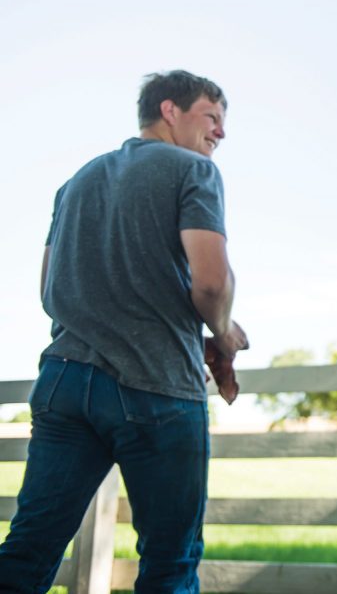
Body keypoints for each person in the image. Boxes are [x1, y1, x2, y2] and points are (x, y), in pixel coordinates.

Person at [0, 70, 248, 593]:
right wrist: (223, 334)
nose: (221, 133)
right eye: (212, 117)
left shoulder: (76, 182)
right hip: (156, 391)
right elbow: (210, 283)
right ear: (169, 110)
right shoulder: (193, 172)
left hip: (65, 382)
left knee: (28, 551)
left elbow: (50, 290)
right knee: (169, 564)